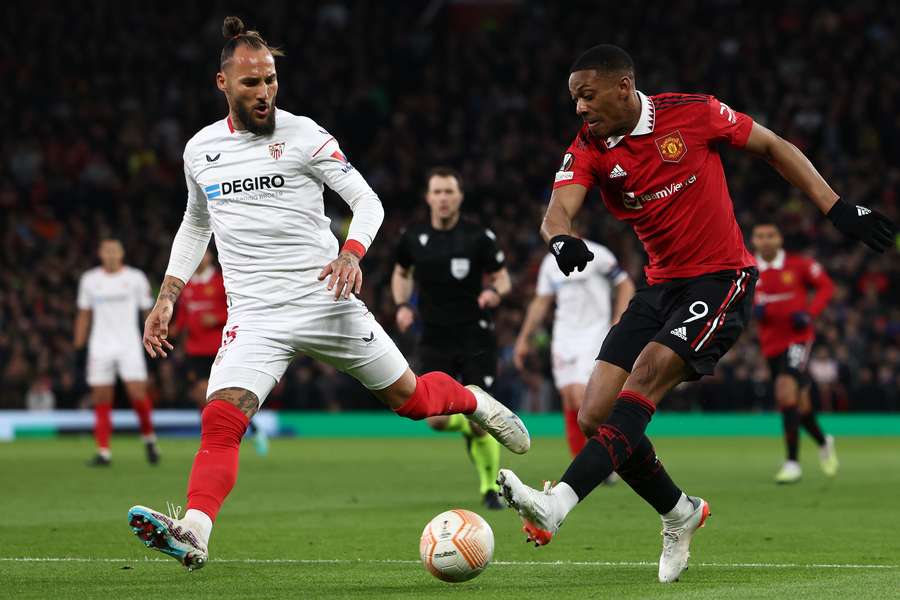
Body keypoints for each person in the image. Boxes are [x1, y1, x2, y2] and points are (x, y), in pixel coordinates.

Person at [127, 16, 529, 571]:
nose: (265, 93)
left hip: (325, 299)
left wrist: (351, 252)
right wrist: (168, 294)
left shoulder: (305, 135)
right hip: (256, 315)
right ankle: (194, 531)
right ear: (223, 84)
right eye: (251, 84)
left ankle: (474, 401)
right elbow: (197, 224)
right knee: (221, 419)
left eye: (270, 80)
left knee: (411, 401)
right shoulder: (200, 151)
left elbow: (369, 203)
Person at [496, 44, 895, 584]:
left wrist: (836, 206)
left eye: (586, 96)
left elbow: (774, 147)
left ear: (622, 86)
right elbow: (557, 210)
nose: (579, 110)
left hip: (722, 277)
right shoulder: (589, 146)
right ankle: (679, 512)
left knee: (646, 377)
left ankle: (558, 504)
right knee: (594, 415)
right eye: (573, 99)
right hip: (660, 288)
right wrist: (561, 240)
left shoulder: (694, 112)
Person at [392, 167, 512, 510]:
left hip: (475, 334)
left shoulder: (478, 237)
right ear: (428, 197)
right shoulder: (412, 237)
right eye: (437, 192)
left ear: (459, 196)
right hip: (433, 336)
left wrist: (493, 293)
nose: (443, 198)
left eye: (449, 192)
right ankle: (469, 419)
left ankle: (490, 488)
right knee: (436, 419)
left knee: (481, 416)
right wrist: (402, 305)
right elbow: (401, 274)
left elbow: (503, 279)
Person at [513, 235, 634, 460]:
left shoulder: (597, 253)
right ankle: (581, 461)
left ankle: (614, 453)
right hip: (564, 336)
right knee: (569, 396)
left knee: (582, 396)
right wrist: (524, 338)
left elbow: (625, 283)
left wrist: (619, 318)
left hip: (594, 332)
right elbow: (541, 302)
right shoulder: (550, 263)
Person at [750, 223, 837, 483]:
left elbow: (825, 287)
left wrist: (809, 314)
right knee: (802, 405)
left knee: (785, 390)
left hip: (798, 339)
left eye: (771, 235)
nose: (766, 241)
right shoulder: (748, 269)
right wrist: (749, 309)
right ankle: (824, 441)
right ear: (753, 241)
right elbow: (735, 296)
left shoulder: (799, 265)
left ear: (780, 239)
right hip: (770, 344)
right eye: (760, 236)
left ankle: (792, 463)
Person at [170, 248, 269, 456]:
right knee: (201, 395)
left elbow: (240, 309)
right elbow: (182, 318)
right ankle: (211, 438)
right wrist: (172, 331)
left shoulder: (221, 281)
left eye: (203, 254)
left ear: (210, 257)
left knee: (221, 397)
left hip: (220, 348)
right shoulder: (187, 285)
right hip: (193, 350)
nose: (200, 258)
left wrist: (215, 318)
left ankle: (250, 429)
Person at [74, 238, 160, 466]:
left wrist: (153, 339)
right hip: (100, 346)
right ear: (100, 254)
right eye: (107, 251)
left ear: (121, 253)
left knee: (137, 395)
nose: (111, 254)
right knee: (101, 398)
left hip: (129, 345)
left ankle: (149, 439)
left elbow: (147, 313)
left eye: (115, 250)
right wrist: (78, 347)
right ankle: (103, 452)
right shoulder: (90, 280)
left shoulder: (135, 278)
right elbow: (84, 315)